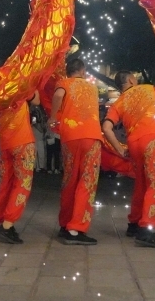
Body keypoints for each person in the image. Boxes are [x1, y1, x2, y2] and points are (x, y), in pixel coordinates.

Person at [102, 70, 155, 248]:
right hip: (152, 139)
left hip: (133, 144)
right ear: (130, 79)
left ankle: (134, 223)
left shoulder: (118, 102)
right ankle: (146, 229)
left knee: (141, 184)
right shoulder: (148, 89)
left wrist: (120, 149)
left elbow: (106, 128)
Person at [48, 57, 103, 245]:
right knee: (86, 181)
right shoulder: (92, 87)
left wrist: (53, 118)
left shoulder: (63, 82)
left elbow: (57, 96)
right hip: (91, 136)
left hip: (69, 135)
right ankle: (76, 228)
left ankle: (65, 224)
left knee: (69, 179)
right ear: (82, 70)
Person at [0, 91, 40, 244]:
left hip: (5, 144)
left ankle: (2, 221)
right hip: (22, 141)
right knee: (22, 184)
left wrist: (3, 131)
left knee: (6, 183)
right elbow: (36, 100)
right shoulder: (20, 85)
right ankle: (7, 225)